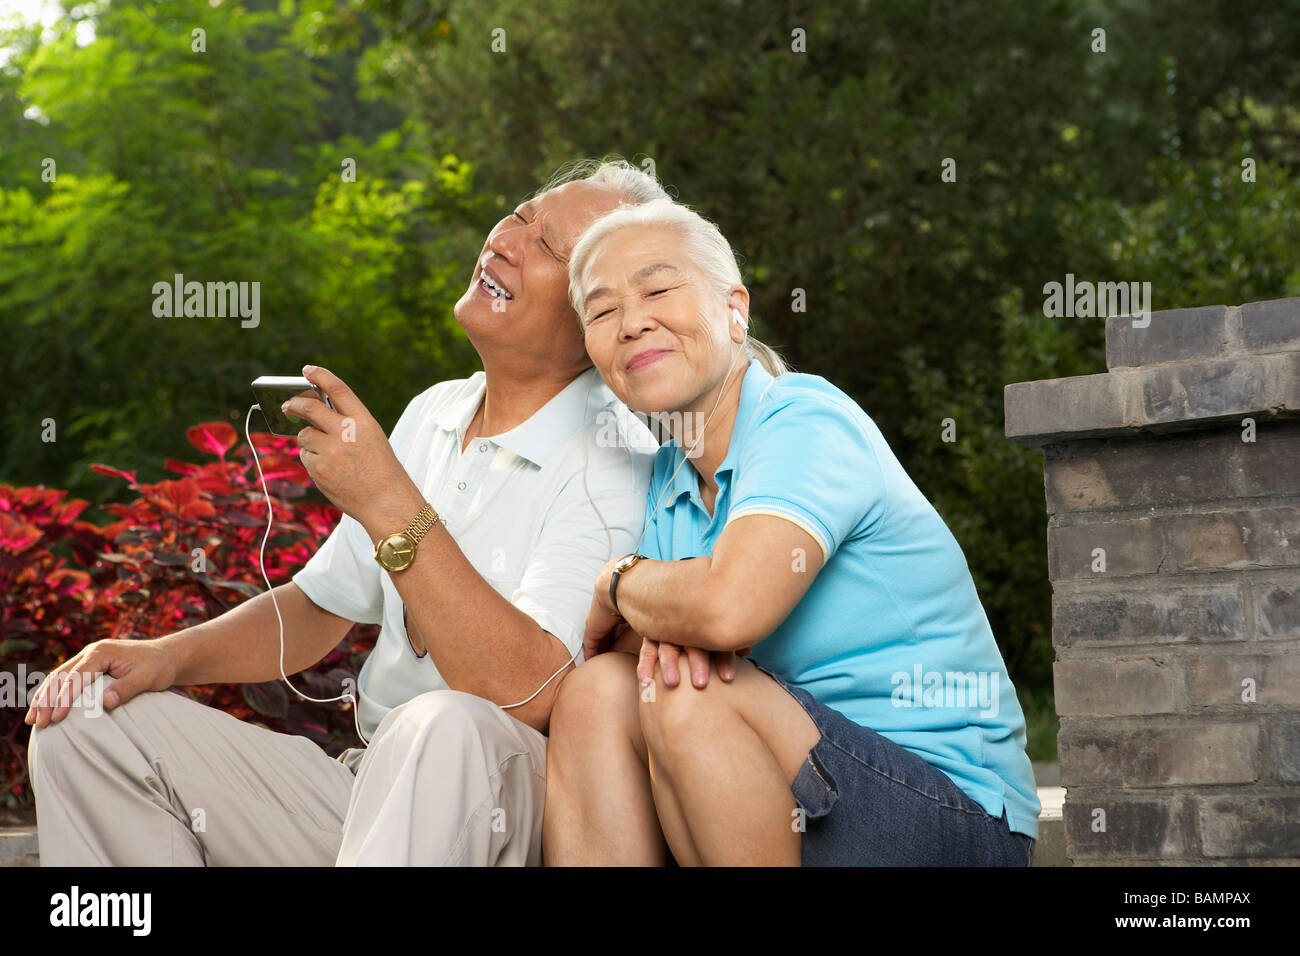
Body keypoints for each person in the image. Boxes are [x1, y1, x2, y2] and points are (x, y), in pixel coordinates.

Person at [25, 159, 663, 866]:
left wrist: (390, 502)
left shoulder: (615, 458)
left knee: (447, 725)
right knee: (85, 721)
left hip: (510, 804)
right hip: (370, 792)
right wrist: (164, 657)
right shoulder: (437, 409)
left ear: (597, 318)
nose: (508, 240)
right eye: (519, 214)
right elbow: (320, 607)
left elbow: (528, 694)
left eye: (549, 247)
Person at [543, 197, 1041, 866]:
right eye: (602, 311)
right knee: (596, 693)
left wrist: (617, 580)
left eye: (659, 288)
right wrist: (649, 601)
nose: (632, 322)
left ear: (734, 309)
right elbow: (641, 655)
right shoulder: (668, 482)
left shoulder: (804, 417)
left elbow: (726, 610)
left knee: (688, 691)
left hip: (948, 815)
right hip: (788, 797)